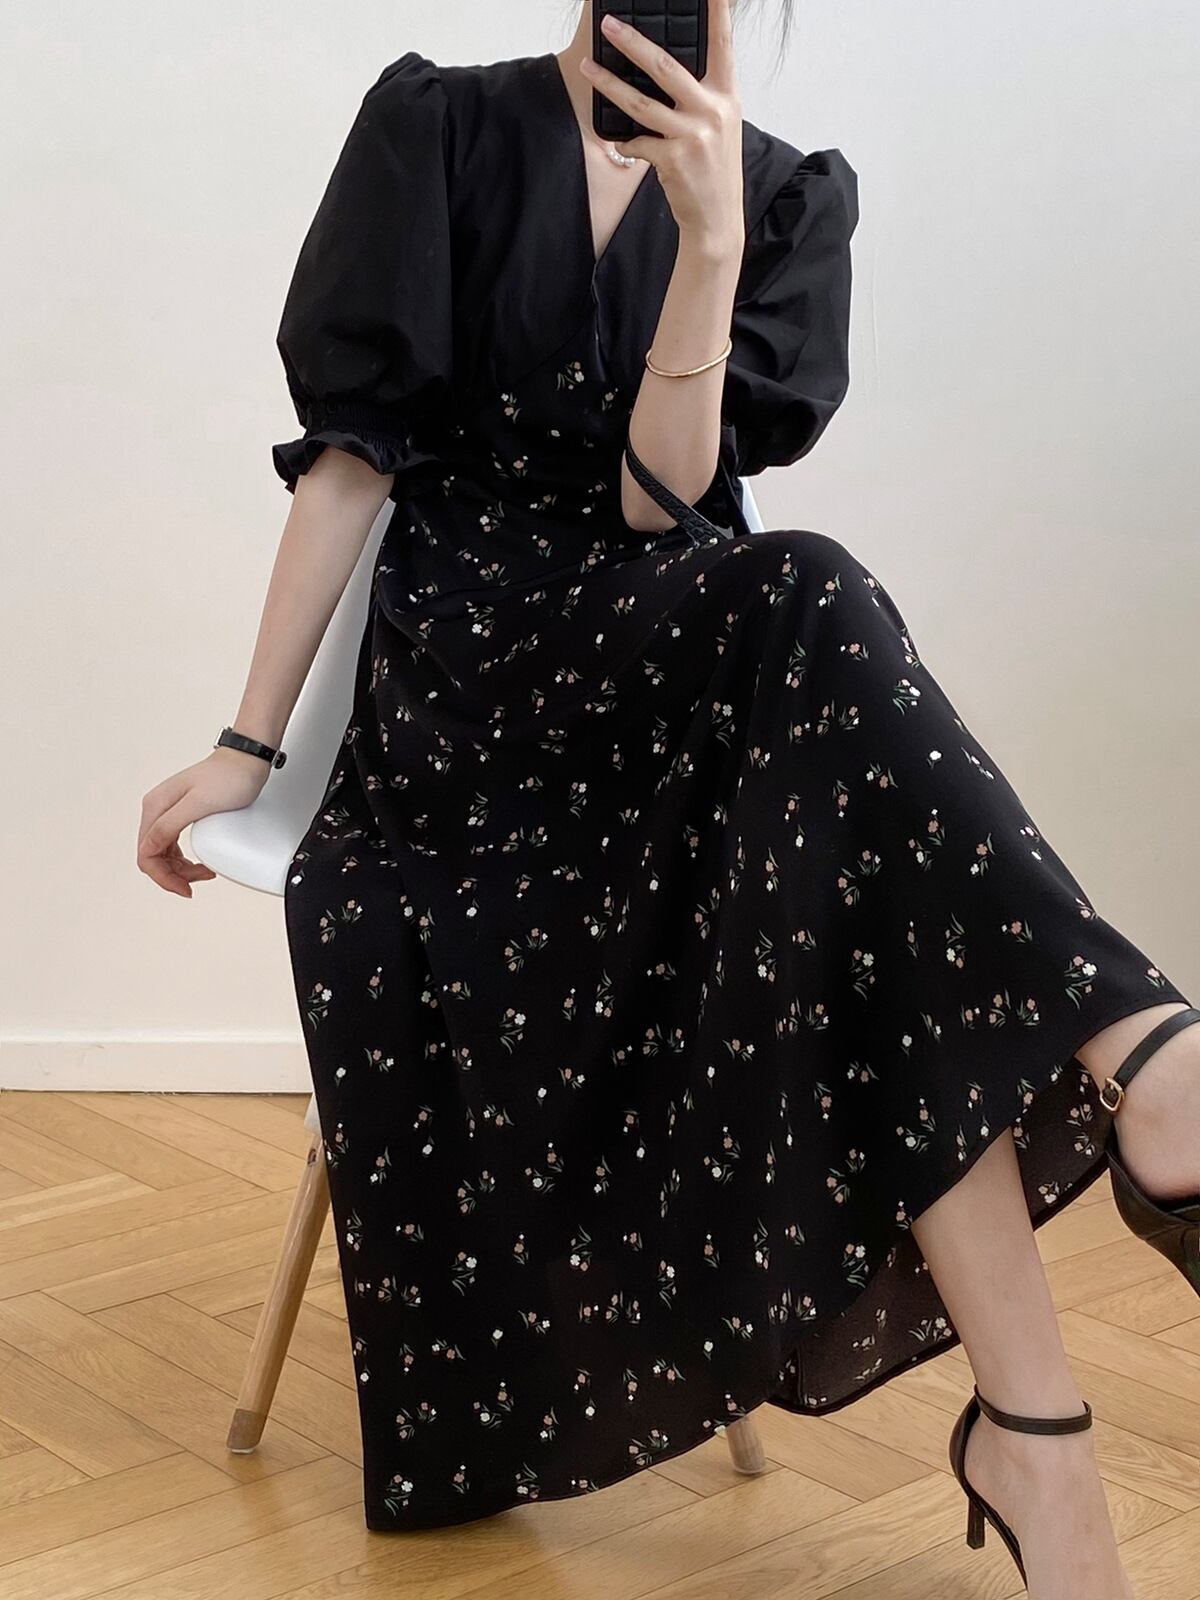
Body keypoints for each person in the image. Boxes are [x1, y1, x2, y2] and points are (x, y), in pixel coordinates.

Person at [138, 1, 1200, 1589]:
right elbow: (352, 464)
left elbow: (659, 506)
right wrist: (252, 741)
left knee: (826, 715)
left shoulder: (783, 196)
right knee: (815, 607)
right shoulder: (437, 127)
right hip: (473, 694)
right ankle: (1151, 1062)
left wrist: (707, 243)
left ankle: (1038, 1436)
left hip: (674, 668)